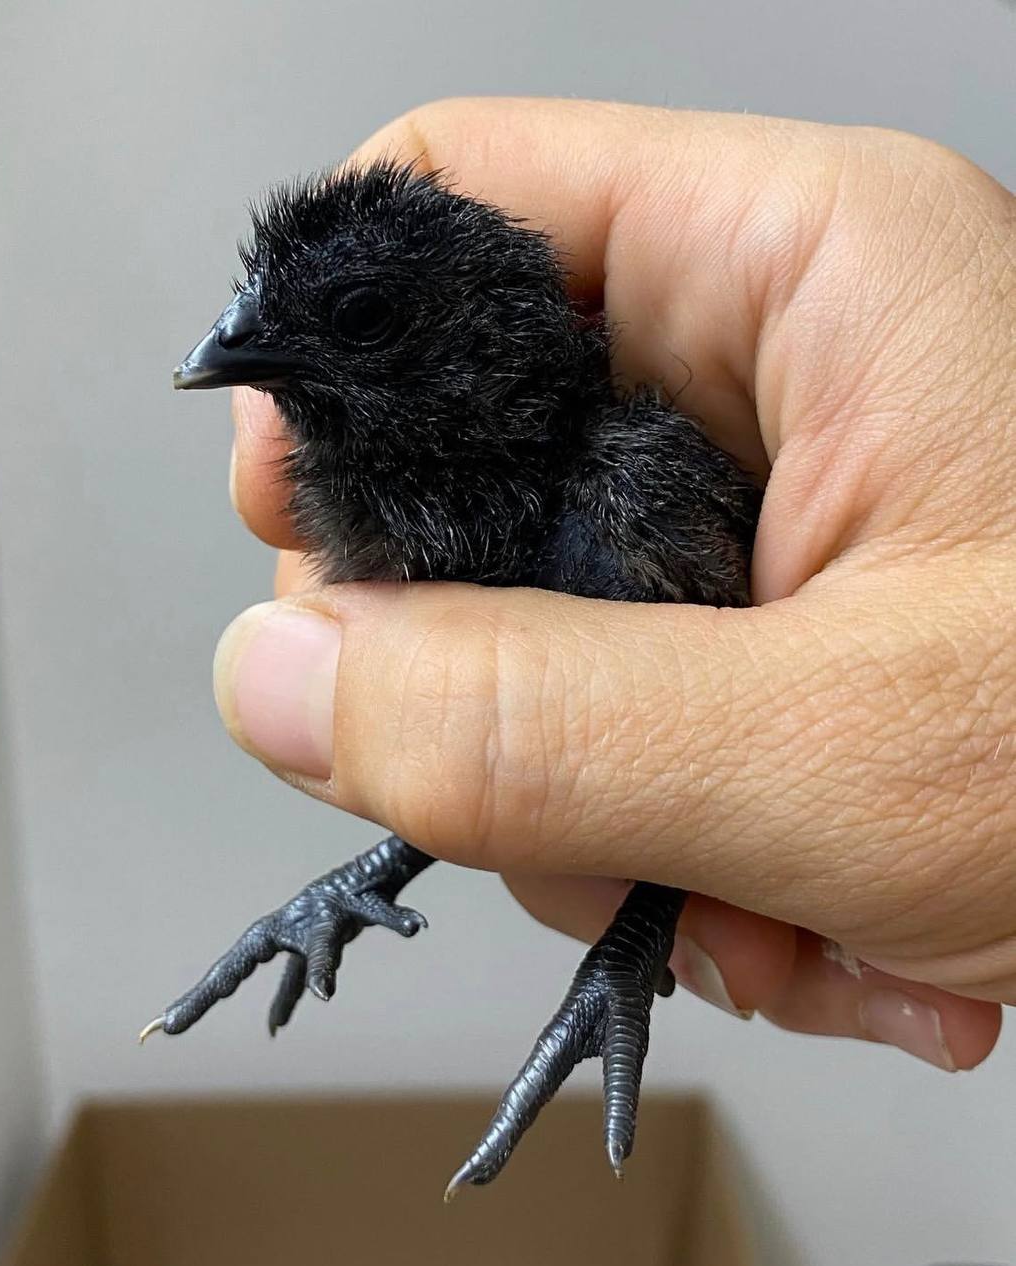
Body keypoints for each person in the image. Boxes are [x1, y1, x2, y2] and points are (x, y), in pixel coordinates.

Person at [210, 98, 1015, 1071]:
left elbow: (719, 753)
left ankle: (630, 942)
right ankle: (400, 884)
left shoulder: (632, 487)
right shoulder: (349, 490)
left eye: (363, 319)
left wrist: (632, 939)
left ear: (469, 337)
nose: (231, 339)